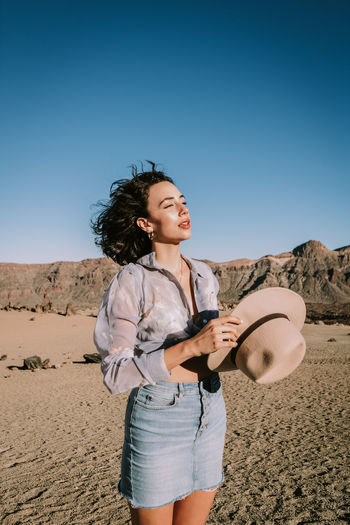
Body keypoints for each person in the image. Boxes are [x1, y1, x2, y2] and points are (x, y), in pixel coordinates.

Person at [92, 161, 242, 525]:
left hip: (211, 406)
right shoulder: (131, 281)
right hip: (159, 413)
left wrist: (239, 345)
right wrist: (191, 347)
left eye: (183, 201)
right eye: (168, 205)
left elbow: (211, 351)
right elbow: (115, 374)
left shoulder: (205, 273)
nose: (183, 209)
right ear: (146, 224)